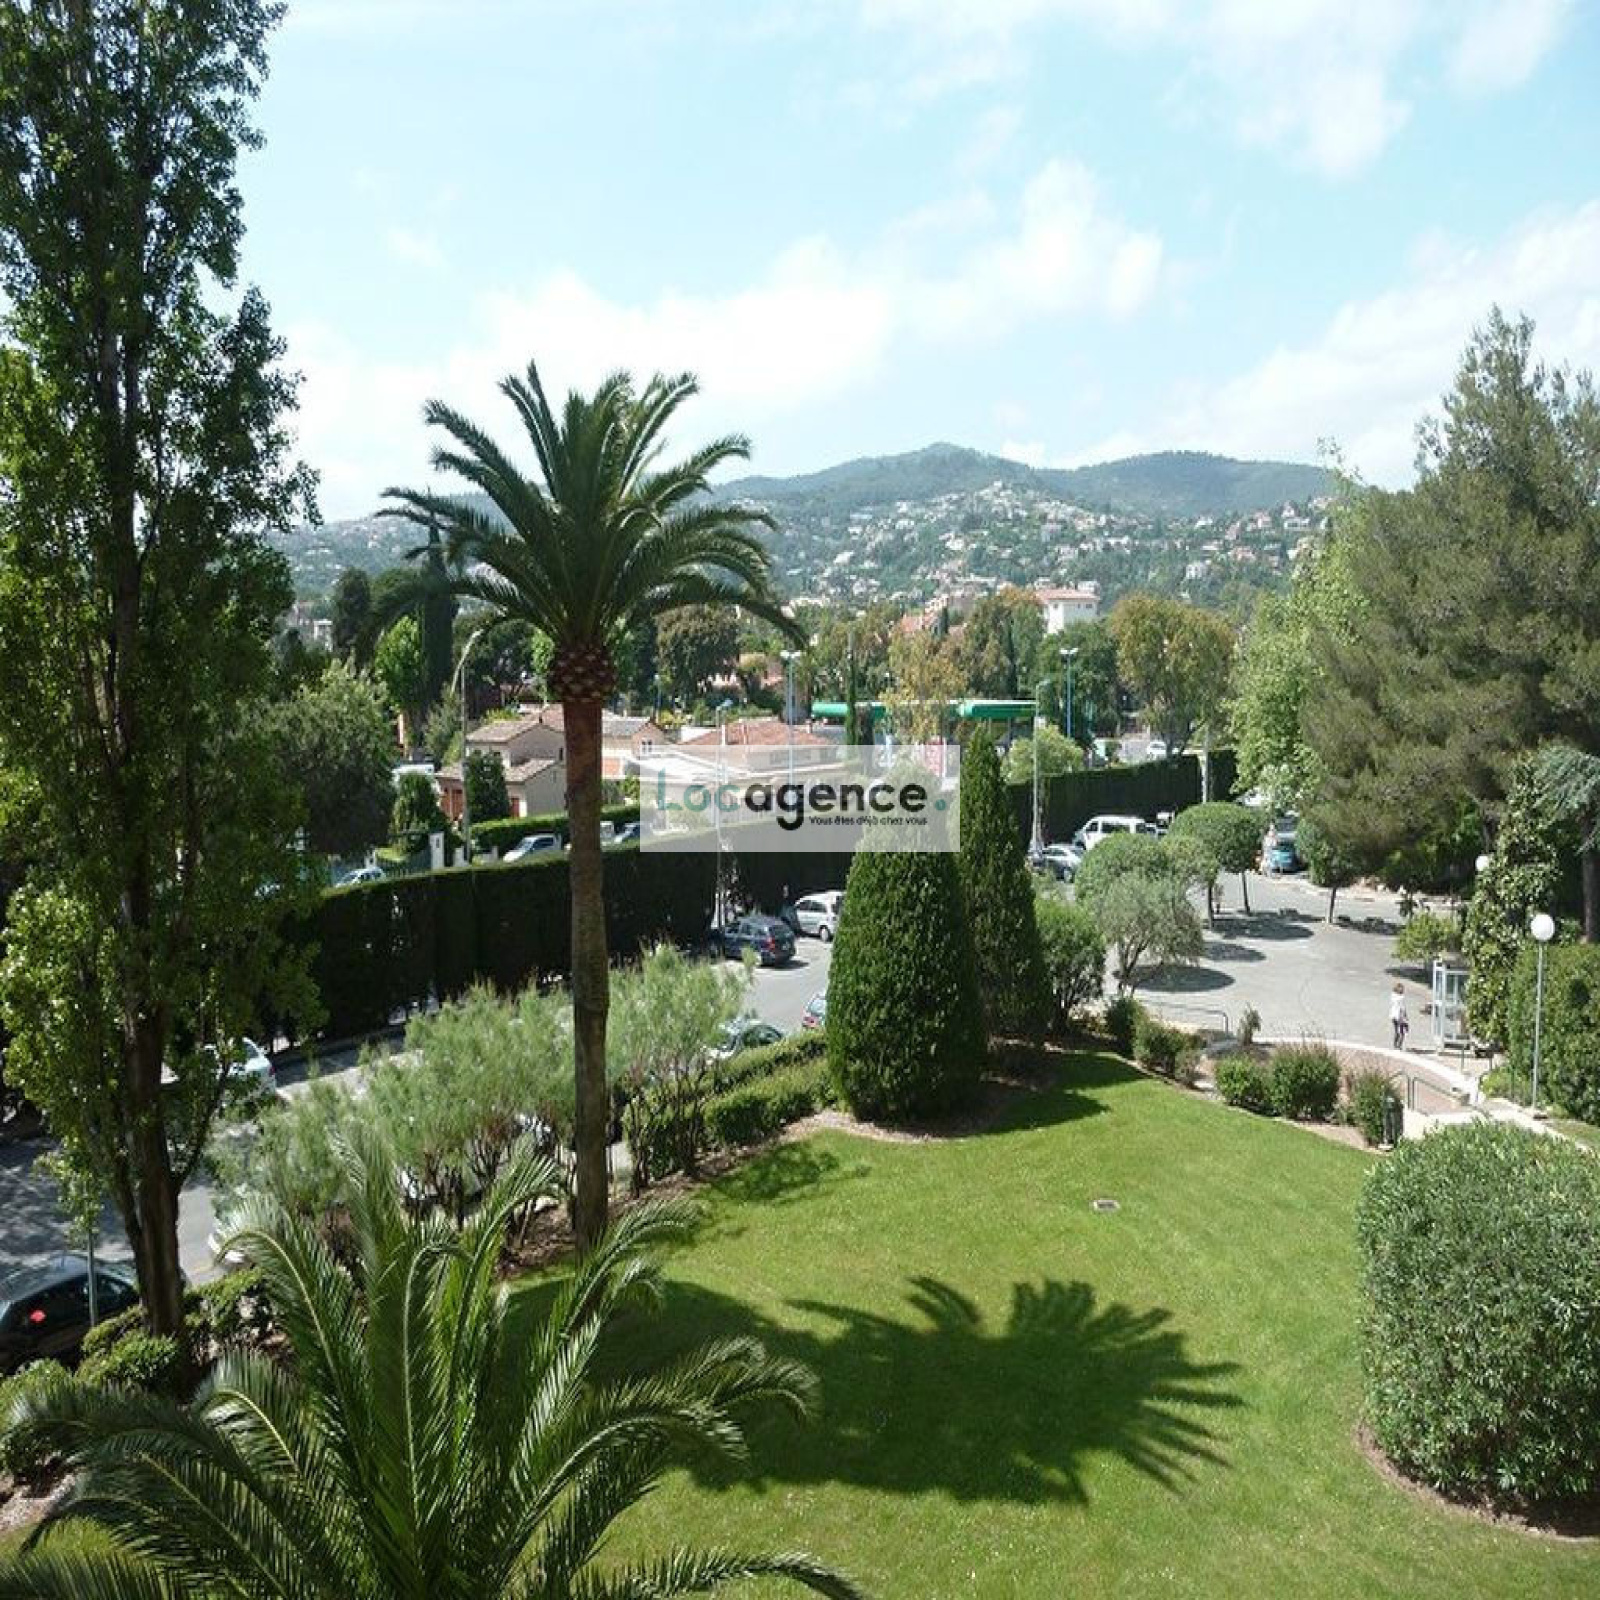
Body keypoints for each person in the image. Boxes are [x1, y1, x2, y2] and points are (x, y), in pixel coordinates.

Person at [1389, 983, 1409, 1050]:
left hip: (1393, 1015)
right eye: (1402, 989)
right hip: (1399, 1016)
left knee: (1396, 1031)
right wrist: (1406, 1017)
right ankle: (1399, 1046)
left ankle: (1395, 1045)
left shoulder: (1393, 996)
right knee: (1402, 1032)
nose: (1403, 990)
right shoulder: (1401, 998)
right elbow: (1403, 1008)